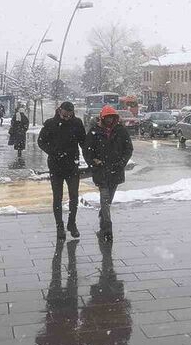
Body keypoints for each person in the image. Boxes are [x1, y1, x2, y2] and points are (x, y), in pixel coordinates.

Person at [83, 105, 133, 243]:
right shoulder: (94, 132)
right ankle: (107, 228)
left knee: (108, 199)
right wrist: (94, 162)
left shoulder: (121, 131)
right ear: (103, 118)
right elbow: (87, 151)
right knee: (104, 199)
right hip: (101, 171)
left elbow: (128, 149)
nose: (110, 120)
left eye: (112, 117)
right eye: (107, 117)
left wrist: (122, 162)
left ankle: (103, 216)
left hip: (115, 171)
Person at [37, 102, 87, 239]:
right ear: (60, 111)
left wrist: (91, 157)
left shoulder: (77, 123)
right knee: (57, 197)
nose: (66, 118)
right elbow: (41, 141)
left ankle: (72, 223)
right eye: (64, 115)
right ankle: (59, 226)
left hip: (72, 165)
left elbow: (84, 142)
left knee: (74, 197)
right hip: (56, 165)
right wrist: (53, 152)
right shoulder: (51, 124)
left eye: (69, 115)